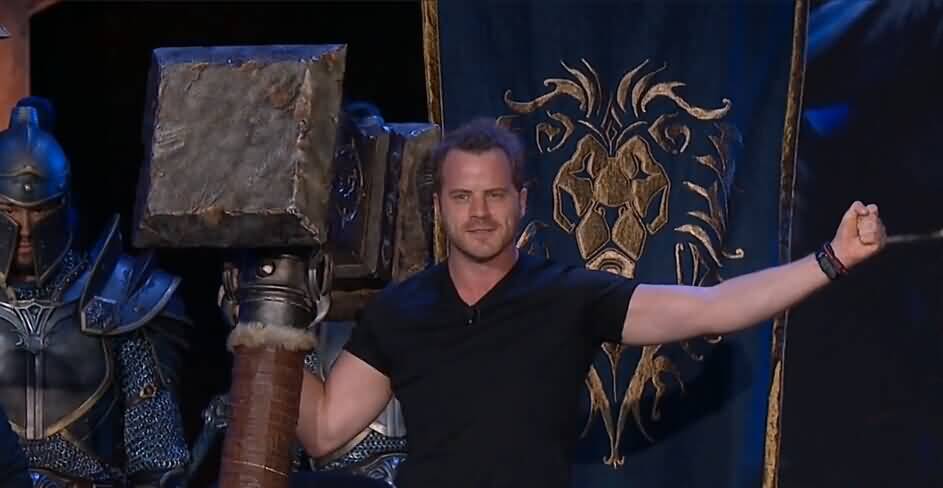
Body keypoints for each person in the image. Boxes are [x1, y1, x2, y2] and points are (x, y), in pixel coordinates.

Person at [296, 118, 886, 488]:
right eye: (462, 196)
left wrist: (830, 258)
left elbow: (713, 307)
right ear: (439, 206)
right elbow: (323, 430)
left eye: (494, 195)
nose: (478, 213)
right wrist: (270, 320)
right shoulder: (400, 310)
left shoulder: (566, 296)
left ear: (522, 200)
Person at [0, 99, 191, 487]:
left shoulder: (117, 298)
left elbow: (155, 457)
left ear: (64, 203)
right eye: (9, 209)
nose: (25, 228)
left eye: (40, 210)